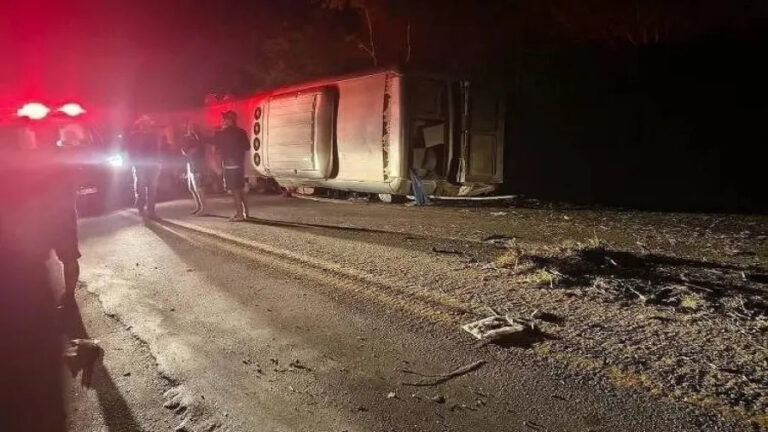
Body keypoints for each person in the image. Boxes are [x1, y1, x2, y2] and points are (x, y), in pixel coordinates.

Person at [213, 110, 250, 221]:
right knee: (240, 189)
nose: (222, 121)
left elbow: (216, 148)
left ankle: (239, 215)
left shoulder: (222, 133)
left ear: (229, 120)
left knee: (234, 190)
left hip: (229, 164)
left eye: (224, 119)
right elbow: (247, 146)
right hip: (239, 164)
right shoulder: (241, 131)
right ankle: (246, 213)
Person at [125, 115, 162, 218]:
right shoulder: (134, 136)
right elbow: (130, 150)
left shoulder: (153, 135)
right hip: (140, 164)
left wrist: (158, 162)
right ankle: (141, 208)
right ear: (140, 125)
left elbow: (157, 150)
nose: (146, 125)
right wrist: (134, 161)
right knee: (140, 187)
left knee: (152, 188)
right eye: (144, 123)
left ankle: (151, 211)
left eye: (147, 123)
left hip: (152, 164)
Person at [180, 121, 207, 215]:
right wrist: (185, 151)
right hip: (190, 164)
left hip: (197, 164)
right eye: (189, 127)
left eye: (192, 127)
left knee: (198, 188)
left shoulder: (199, 137)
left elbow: (197, 149)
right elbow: (184, 150)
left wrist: (189, 151)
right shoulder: (187, 138)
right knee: (191, 188)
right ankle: (198, 206)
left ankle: (203, 208)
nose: (190, 129)